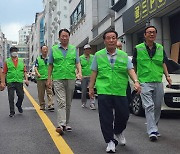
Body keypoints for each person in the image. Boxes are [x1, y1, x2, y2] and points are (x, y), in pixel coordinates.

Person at [89, 29, 141, 153]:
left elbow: (130, 69)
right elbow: (94, 72)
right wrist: (91, 87)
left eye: (113, 38)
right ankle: (110, 141)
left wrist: (136, 81)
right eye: (108, 38)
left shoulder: (124, 55)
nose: (111, 40)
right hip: (104, 89)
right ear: (104, 41)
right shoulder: (98, 55)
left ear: (116, 40)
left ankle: (118, 131)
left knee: (124, 114)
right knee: (105, 117)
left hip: (120, 89)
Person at [132, 26, 172, 141]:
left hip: (158, 80)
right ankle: (152, 131)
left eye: (154, 32)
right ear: (145, 35)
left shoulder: (160, 48)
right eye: (149, 32)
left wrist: (167, 76)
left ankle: (154, 126)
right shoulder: (138, 48)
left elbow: (163, 63)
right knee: (149, 106)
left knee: (158, 106)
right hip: (144, 81)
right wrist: (135, 81)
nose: (151, 34)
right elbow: (134, 65)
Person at [47, 28, 82, 135]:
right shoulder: (54, 49)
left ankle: (66, 122)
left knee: (68, 102)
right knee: (61, 101)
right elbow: (50, 65)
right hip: (58, 78)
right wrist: (49, 78)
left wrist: (79, 72)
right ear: (59, 37)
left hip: (71, 77)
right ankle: (61, 124)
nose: (64, 38)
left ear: (69, 37)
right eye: (62, 36)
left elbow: (77, 63)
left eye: (66, 36)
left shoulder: (73, 49)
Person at [1, 47, 29, 117]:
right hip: (10, 81)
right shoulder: (7, 61)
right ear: (10, 52)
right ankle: (12, 112)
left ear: (17, 52)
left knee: (21, 95)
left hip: (19, 81)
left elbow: (24, 71)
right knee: (11, 97)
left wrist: (26, 80)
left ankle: (18, 105)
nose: (14, 52)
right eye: (13, 51)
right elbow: (4, 72)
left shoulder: (21, 61)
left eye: (15, 51)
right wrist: (3, 82)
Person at [34, 45, 54, 111]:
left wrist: (52, 77)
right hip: (40, 79)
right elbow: (35, 67)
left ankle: (50, 105)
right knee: (41, 93)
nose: (45, 51)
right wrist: (38, 73)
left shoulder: (50, 59)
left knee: (50, 92)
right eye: (44, 49)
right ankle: (42, 105)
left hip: (48, 78)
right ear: (41, 51)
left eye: (46, 49)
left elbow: (52, 68)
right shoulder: (38, 59)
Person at [80, 44, 96, 110]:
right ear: (84, 50)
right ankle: (83, 102)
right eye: (86, 49)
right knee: (84, 91)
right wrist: (79, 74)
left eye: (89, 49)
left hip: (91, 76)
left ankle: (92, 103)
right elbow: (79, 67)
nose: (88, 50)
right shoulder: (81, 58)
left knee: (91, 89)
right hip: (84, 76)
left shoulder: (93, 57)